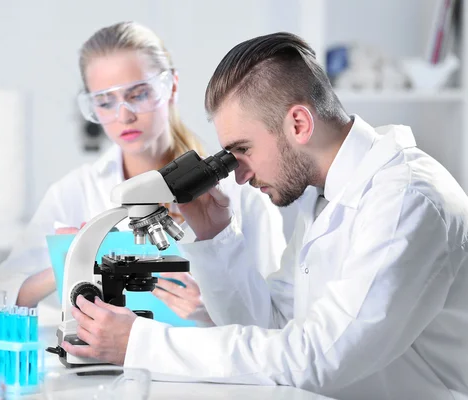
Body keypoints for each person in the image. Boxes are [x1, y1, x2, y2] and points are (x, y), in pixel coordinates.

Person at [62, 32, 468, 400]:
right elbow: (273, 328)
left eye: (243, 149)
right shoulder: (324, 195)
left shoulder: (405, 200)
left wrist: (142, 343)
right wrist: (215, 239)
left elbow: (318, 360)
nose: (238, 175)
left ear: (298, 123)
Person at [0, 22, 286, 327]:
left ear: (171, 86)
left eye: (138, 94)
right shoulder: (76, 190)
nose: (123, 115)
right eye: (104, 102)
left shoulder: (238, 187)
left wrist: (213, 310)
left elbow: (275, 319)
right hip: (103, 372)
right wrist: (74, 258)